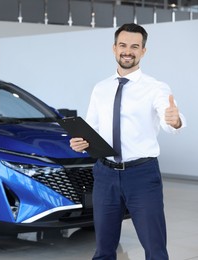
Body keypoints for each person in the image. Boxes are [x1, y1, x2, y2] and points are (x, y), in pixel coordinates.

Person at [70, 23, 186, 260]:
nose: (128, 51)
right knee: (103, 249)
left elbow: (169, 118)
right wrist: (80, 142)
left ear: (143, 51)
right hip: (105, 174)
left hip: (142, 175)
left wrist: (175, 121)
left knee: (155, 250)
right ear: (114, 48)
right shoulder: (101, 88)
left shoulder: (156, 88)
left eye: (135, 46)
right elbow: (93, 128)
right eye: (123, 45)